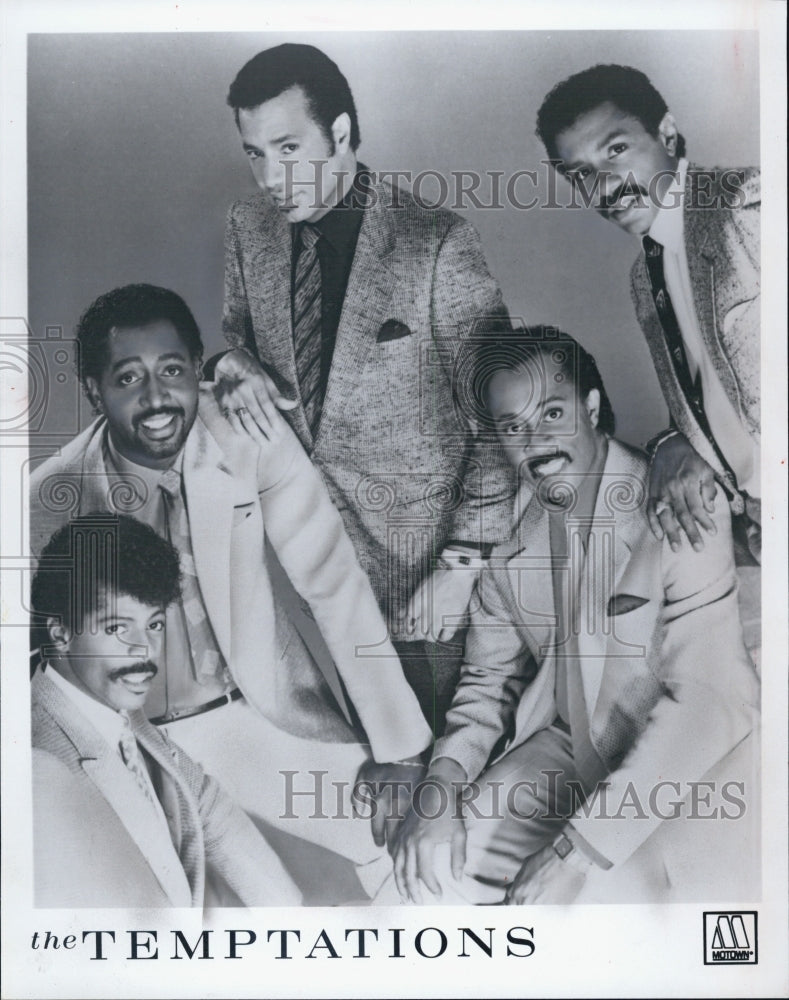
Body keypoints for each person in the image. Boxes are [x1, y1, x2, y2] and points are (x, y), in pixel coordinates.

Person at [28, 283, 432, 899]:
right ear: (94, 391)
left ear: (198, 370)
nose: (157, 398)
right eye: (128, 378)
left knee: (406, 843)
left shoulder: (247, 431)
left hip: (254, 710)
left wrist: (401, 748)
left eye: (172, 370)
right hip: (138, 737)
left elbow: (332, 580)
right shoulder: (49, 498)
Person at [391, 327, 759, 905]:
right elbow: (487, 683)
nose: (535, 440)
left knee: (629, 923)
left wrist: (575, 851)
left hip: (685, 761)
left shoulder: (678, 504)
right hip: (566, 749)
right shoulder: (503, 535)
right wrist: (440, 790)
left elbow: (712, 699)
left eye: (552, 412)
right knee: (430, 878)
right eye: (513, 426)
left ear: (590, 407)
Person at [214, 43, 515, 734]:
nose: (270, 176)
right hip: (300, 576)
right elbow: (239, 340)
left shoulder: (436, 242)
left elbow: (502, 419)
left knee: (445, 777)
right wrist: (225, 365)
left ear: (343, 133)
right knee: (354, 779)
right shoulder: (246, 229)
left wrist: (462, 564)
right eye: (254, 153)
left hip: (425, 584)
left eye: (288, 147)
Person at [535, 64, 760, 662]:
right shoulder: (644, 274)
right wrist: (670, 444)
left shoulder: (749, 205)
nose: (605, 186)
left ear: (668, 133)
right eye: (580, 174)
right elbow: (707, 402)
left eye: (616, 150)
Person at [30, 513, 302, 908]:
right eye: (117, 628)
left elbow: (207, 807)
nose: (145, 652)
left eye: (154, 625)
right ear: (61, 633)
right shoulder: (39, 762)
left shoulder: (119, 714)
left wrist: (293, 924)